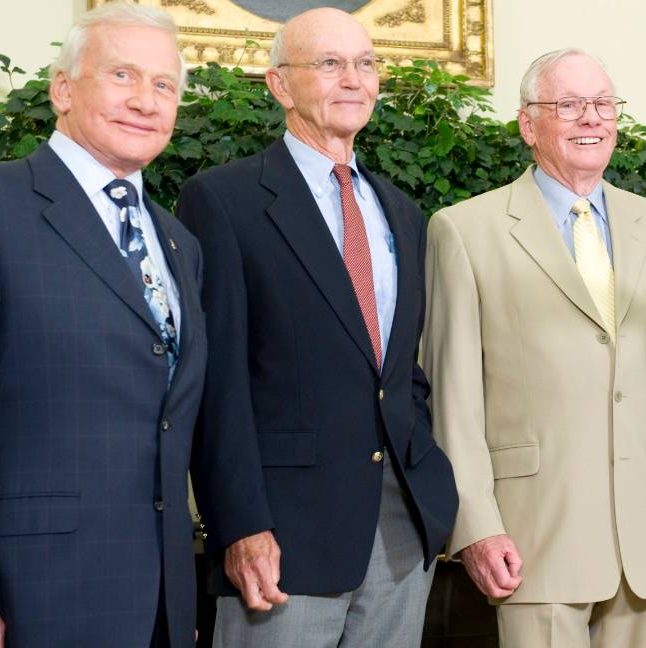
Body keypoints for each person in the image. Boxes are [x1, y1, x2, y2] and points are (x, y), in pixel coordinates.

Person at [0, 3, 205, 647]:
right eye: (122, 75)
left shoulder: (178, 243)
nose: (146, 100)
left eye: (164, 85)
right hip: (21, 598)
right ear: (63, 88)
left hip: (157, 604)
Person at [421, 48, 646, 648]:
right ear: (528, 124)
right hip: (533, 535)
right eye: (568, 105)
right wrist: (475, 525)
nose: (591, 118)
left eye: (602, 104)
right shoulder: (464, 230)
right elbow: (453, 397)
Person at [175, 8, 457, 647]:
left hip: (401, 532)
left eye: (365, 63)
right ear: (280, 85)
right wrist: (239, 525)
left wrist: (431, 491)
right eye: (329, 64)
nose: (352, 79)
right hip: (282, 538)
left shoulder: (403, 211)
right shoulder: (223, 200)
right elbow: (217, 385)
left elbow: (400, 371)